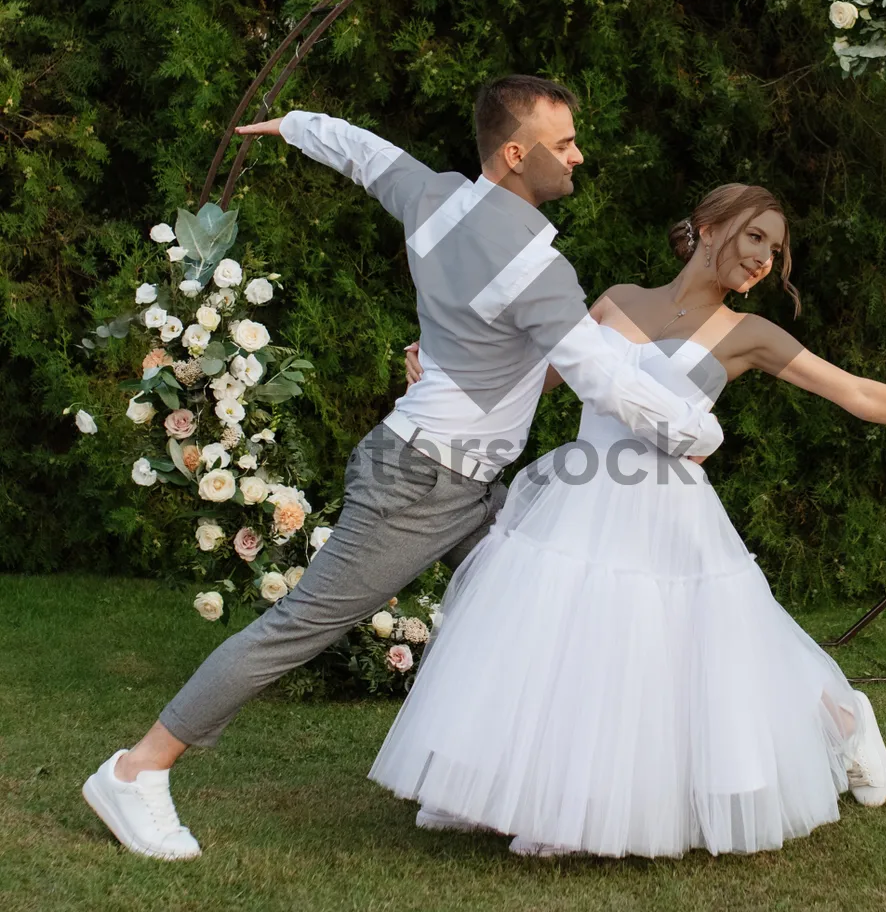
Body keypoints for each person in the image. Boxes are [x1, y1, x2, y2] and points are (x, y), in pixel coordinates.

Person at [82, 76, 727, 861]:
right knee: (302, 625)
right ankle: (136, 769)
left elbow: (361, 151)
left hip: (457, 478)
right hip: (420, 483)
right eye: (565, 145)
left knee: (528, 612)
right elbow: (599, 374)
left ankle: (476, 789)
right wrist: (693, 425)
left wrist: (293, 123)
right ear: (516, 154)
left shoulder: (437, 197)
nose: (579, 156)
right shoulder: (530, 267)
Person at [370, 185, 886, 858]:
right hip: (578, 497)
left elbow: (855, 391)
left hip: (668, 506)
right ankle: (530, 789)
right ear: (707, 226)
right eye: (756, 237)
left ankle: (841, 717)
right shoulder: (617, 299)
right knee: (566, 645)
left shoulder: (748, 335)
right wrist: (441, 370)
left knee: (703, 645)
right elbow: (530, 377)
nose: (765, 258)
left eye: (776, 249)